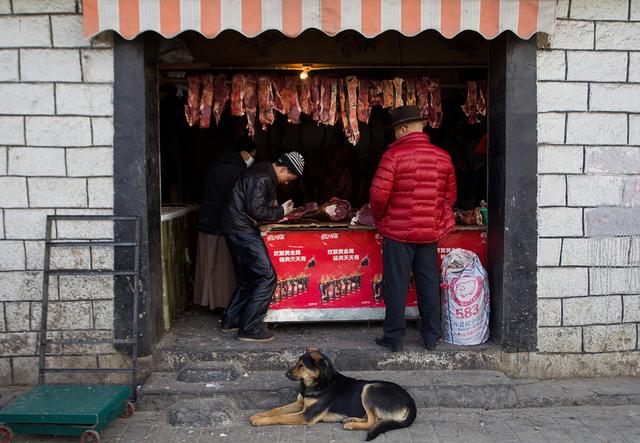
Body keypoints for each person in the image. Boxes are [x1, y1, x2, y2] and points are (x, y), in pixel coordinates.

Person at [370, 105, 457, 352]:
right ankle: (431, 336)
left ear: (403, 128)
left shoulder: (393, 157)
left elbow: (378, 196)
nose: (395, 136)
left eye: (396, 130)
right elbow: (450, 198)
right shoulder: (443, 157)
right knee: (428, 283)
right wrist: (433, 219)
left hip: (397, 234)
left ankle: (394, 338)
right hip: (429, 233)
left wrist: (380, 219)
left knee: (395, 284)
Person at [222, 151, 305, 342]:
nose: (287, 182)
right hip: (242, 230)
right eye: (289, 177)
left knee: (247, 278)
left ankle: (232, 320)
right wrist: (281, 210)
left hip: (234, 227)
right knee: (266, 277)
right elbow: (257, 209)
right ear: (283, 169)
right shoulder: (262, 177)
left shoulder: (261, 172)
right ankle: (250, 328)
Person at [193, 137, 257, 311]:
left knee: (209, 265)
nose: (252, 160)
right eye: (252, 156)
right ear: (243, 153)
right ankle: (224, 303)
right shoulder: (238, 170)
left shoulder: (217, 165)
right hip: (223, 224)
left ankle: (208, 301)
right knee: (223, 267)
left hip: (208, 221)